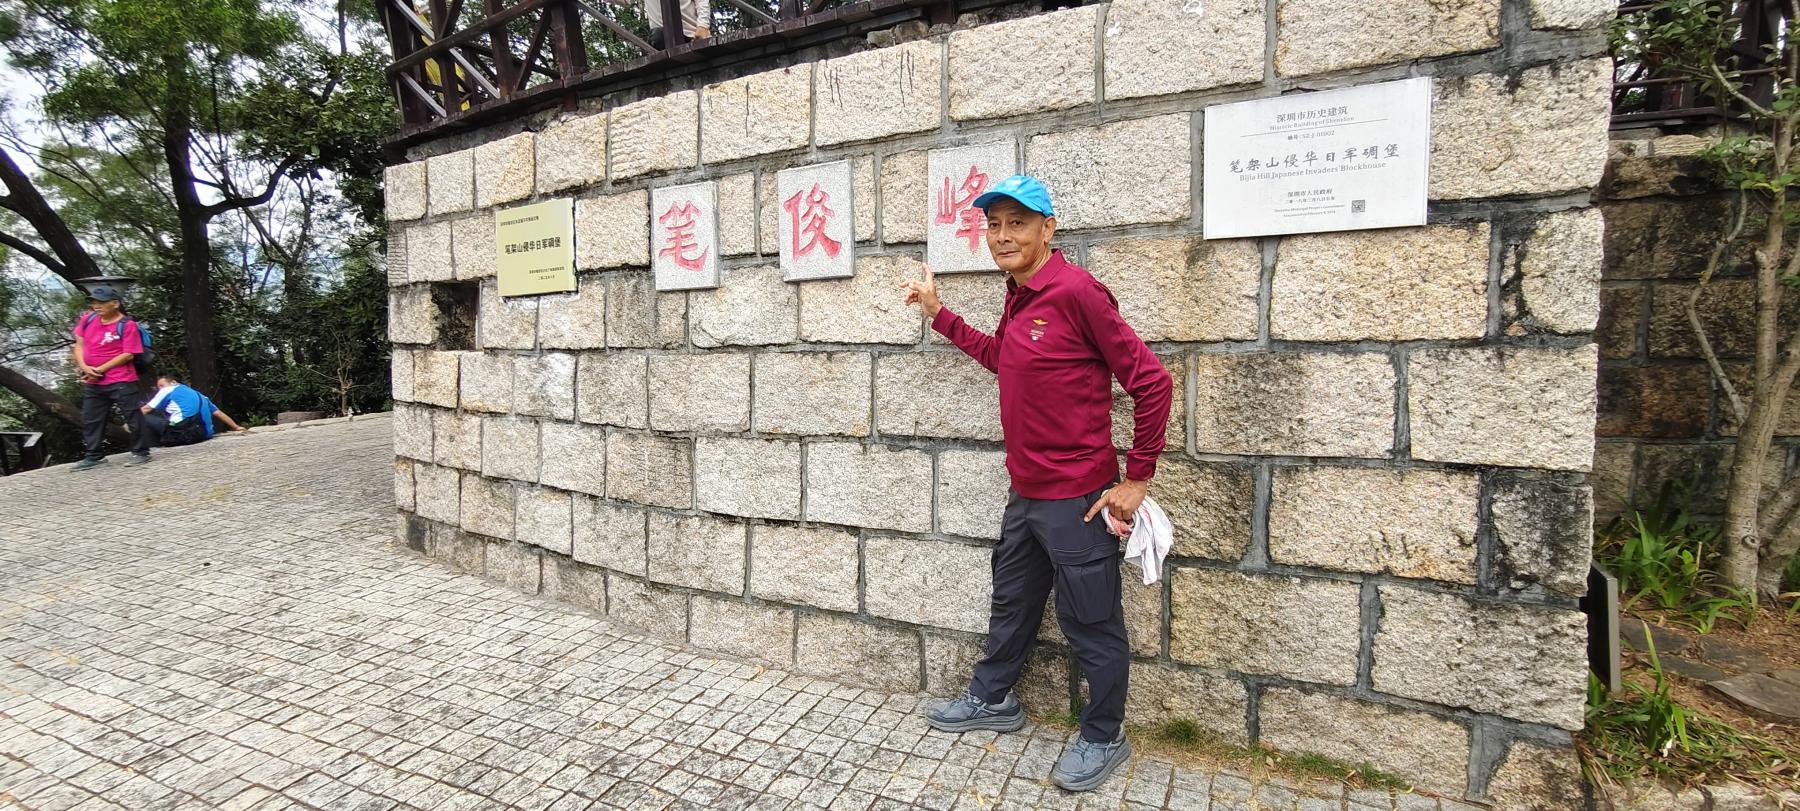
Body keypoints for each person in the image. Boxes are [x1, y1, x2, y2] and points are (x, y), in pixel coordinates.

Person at [900, 175, 1173, 792]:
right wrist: (939, 315)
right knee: (1012, 600)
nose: (1002, 236)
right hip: (1026, 494)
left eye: (1017, 223)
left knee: (1092, 624)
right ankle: (993, 698)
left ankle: (1104, 734)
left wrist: (1137, 479)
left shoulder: (1077, 292)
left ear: (1049, 229)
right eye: (994, 225)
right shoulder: (1018, 294)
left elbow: (1152, 382)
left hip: (1078, 499)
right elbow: (1004, 359)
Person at [70, 285, 153, 470]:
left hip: (121, 379)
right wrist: (84, 367)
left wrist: (99, 369)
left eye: (102, 302)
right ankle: (94, 455)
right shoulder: (88, 319)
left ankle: (141, 451)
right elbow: (79, 344)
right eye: (94, 302)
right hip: (93, 380)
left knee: (132, 415)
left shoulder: (127, 325)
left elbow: (128, 354)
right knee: (91, 417)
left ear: (115, 303)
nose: (97, 305)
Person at [139, 375, 246, 447]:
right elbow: (218, 413)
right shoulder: (201, 396)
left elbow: (146, 409)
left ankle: (148, 447)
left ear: (173, 382)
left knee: (140, 416)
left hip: (183, 434)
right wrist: (236, 427)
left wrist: (131, 419)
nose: (160, 390)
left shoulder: (168, 390)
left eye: (161, 386)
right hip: (204, 434)